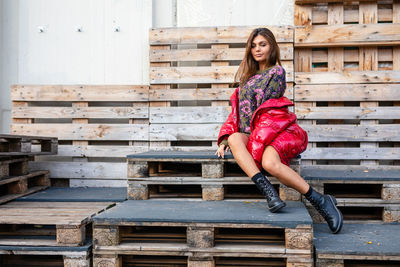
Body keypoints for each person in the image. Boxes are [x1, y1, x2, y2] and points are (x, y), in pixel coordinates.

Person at [215, 28, 343, 234]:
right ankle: (269, 193)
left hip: (274, 130)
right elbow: (237, 113)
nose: (257, 49)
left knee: (269, 163)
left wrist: (256, 146)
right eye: (254, 45)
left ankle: (321, 201)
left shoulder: (276, 72)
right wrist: (223, 140)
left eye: (262, 44)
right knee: (234, 138)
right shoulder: (246, 78)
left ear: (272, 47)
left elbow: (269, 112)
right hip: (253, 134)